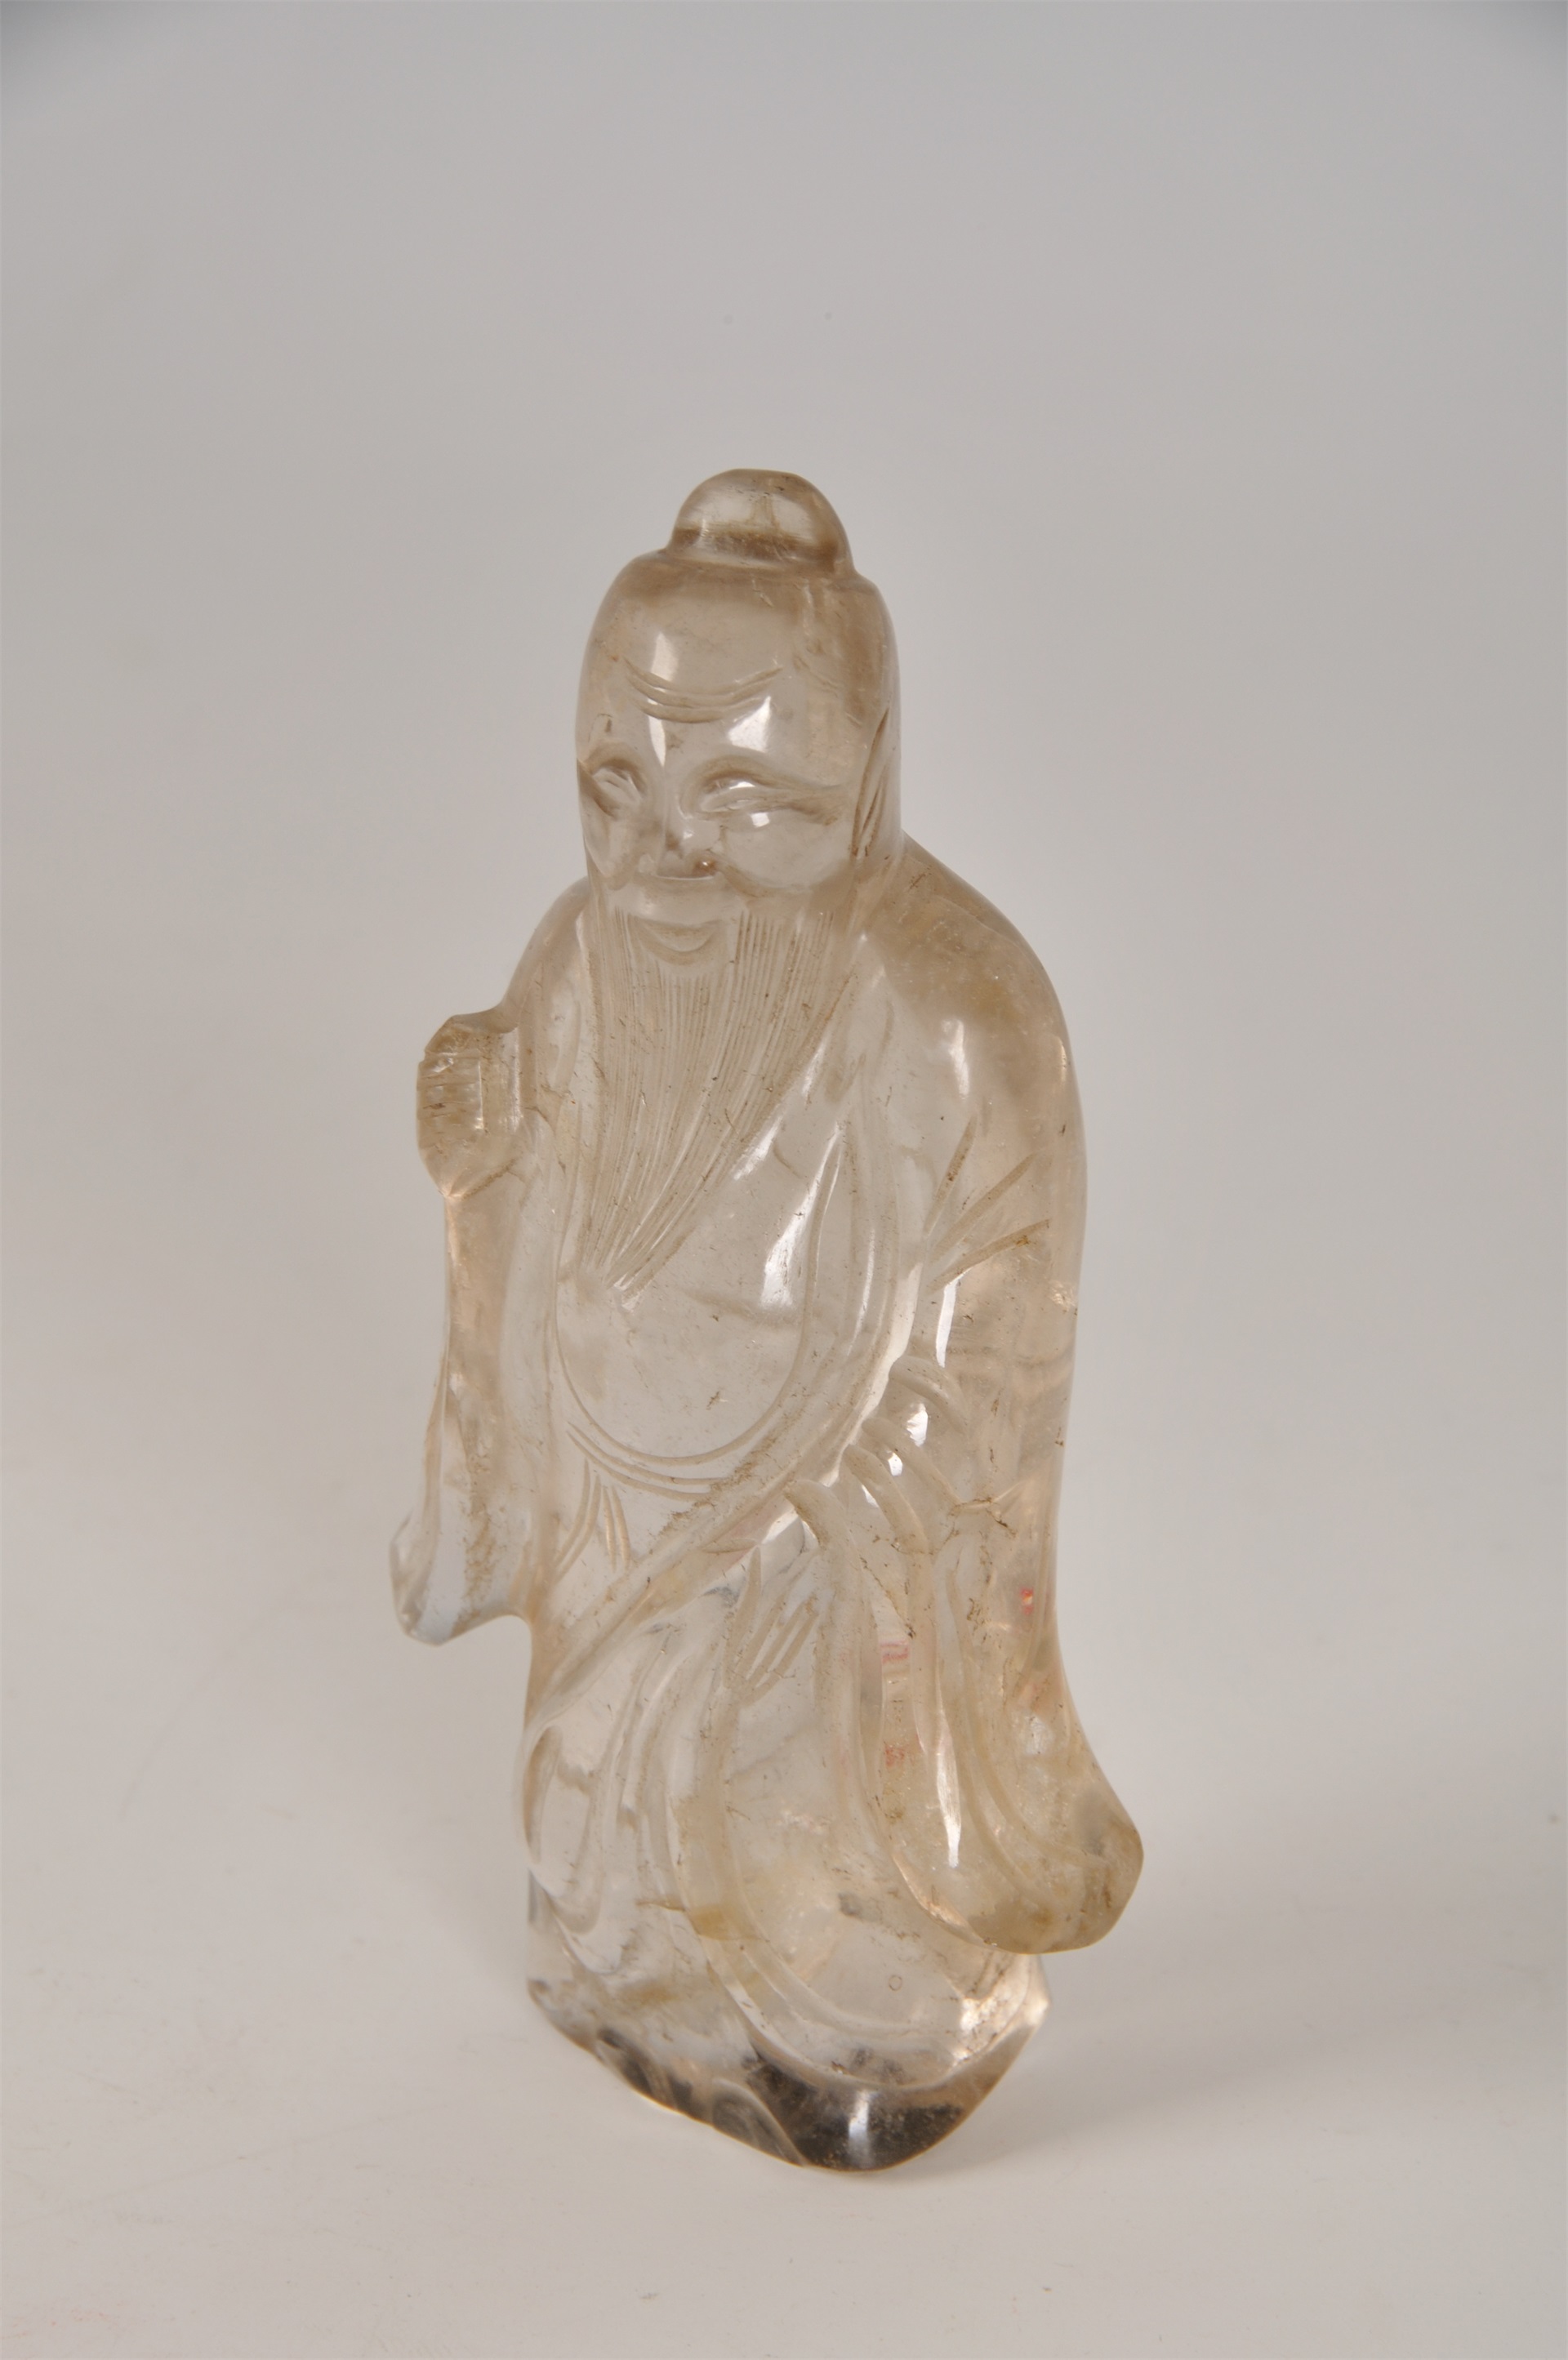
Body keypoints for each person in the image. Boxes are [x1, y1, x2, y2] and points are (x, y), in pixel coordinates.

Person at [394, 470, 1140, 2168]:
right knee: (601, 1847)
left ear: (859, 784)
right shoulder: (575, 957)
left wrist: (813, 1527)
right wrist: (476, 1168)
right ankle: (633, 1977)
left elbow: (996, 1338)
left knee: (836, 1903)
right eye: (617, 786)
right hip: (613, 1499)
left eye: (742, 797)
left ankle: (853, 2035)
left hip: (824, 1558)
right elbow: (524, 1208)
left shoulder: (956, 1004)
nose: (667, 847)